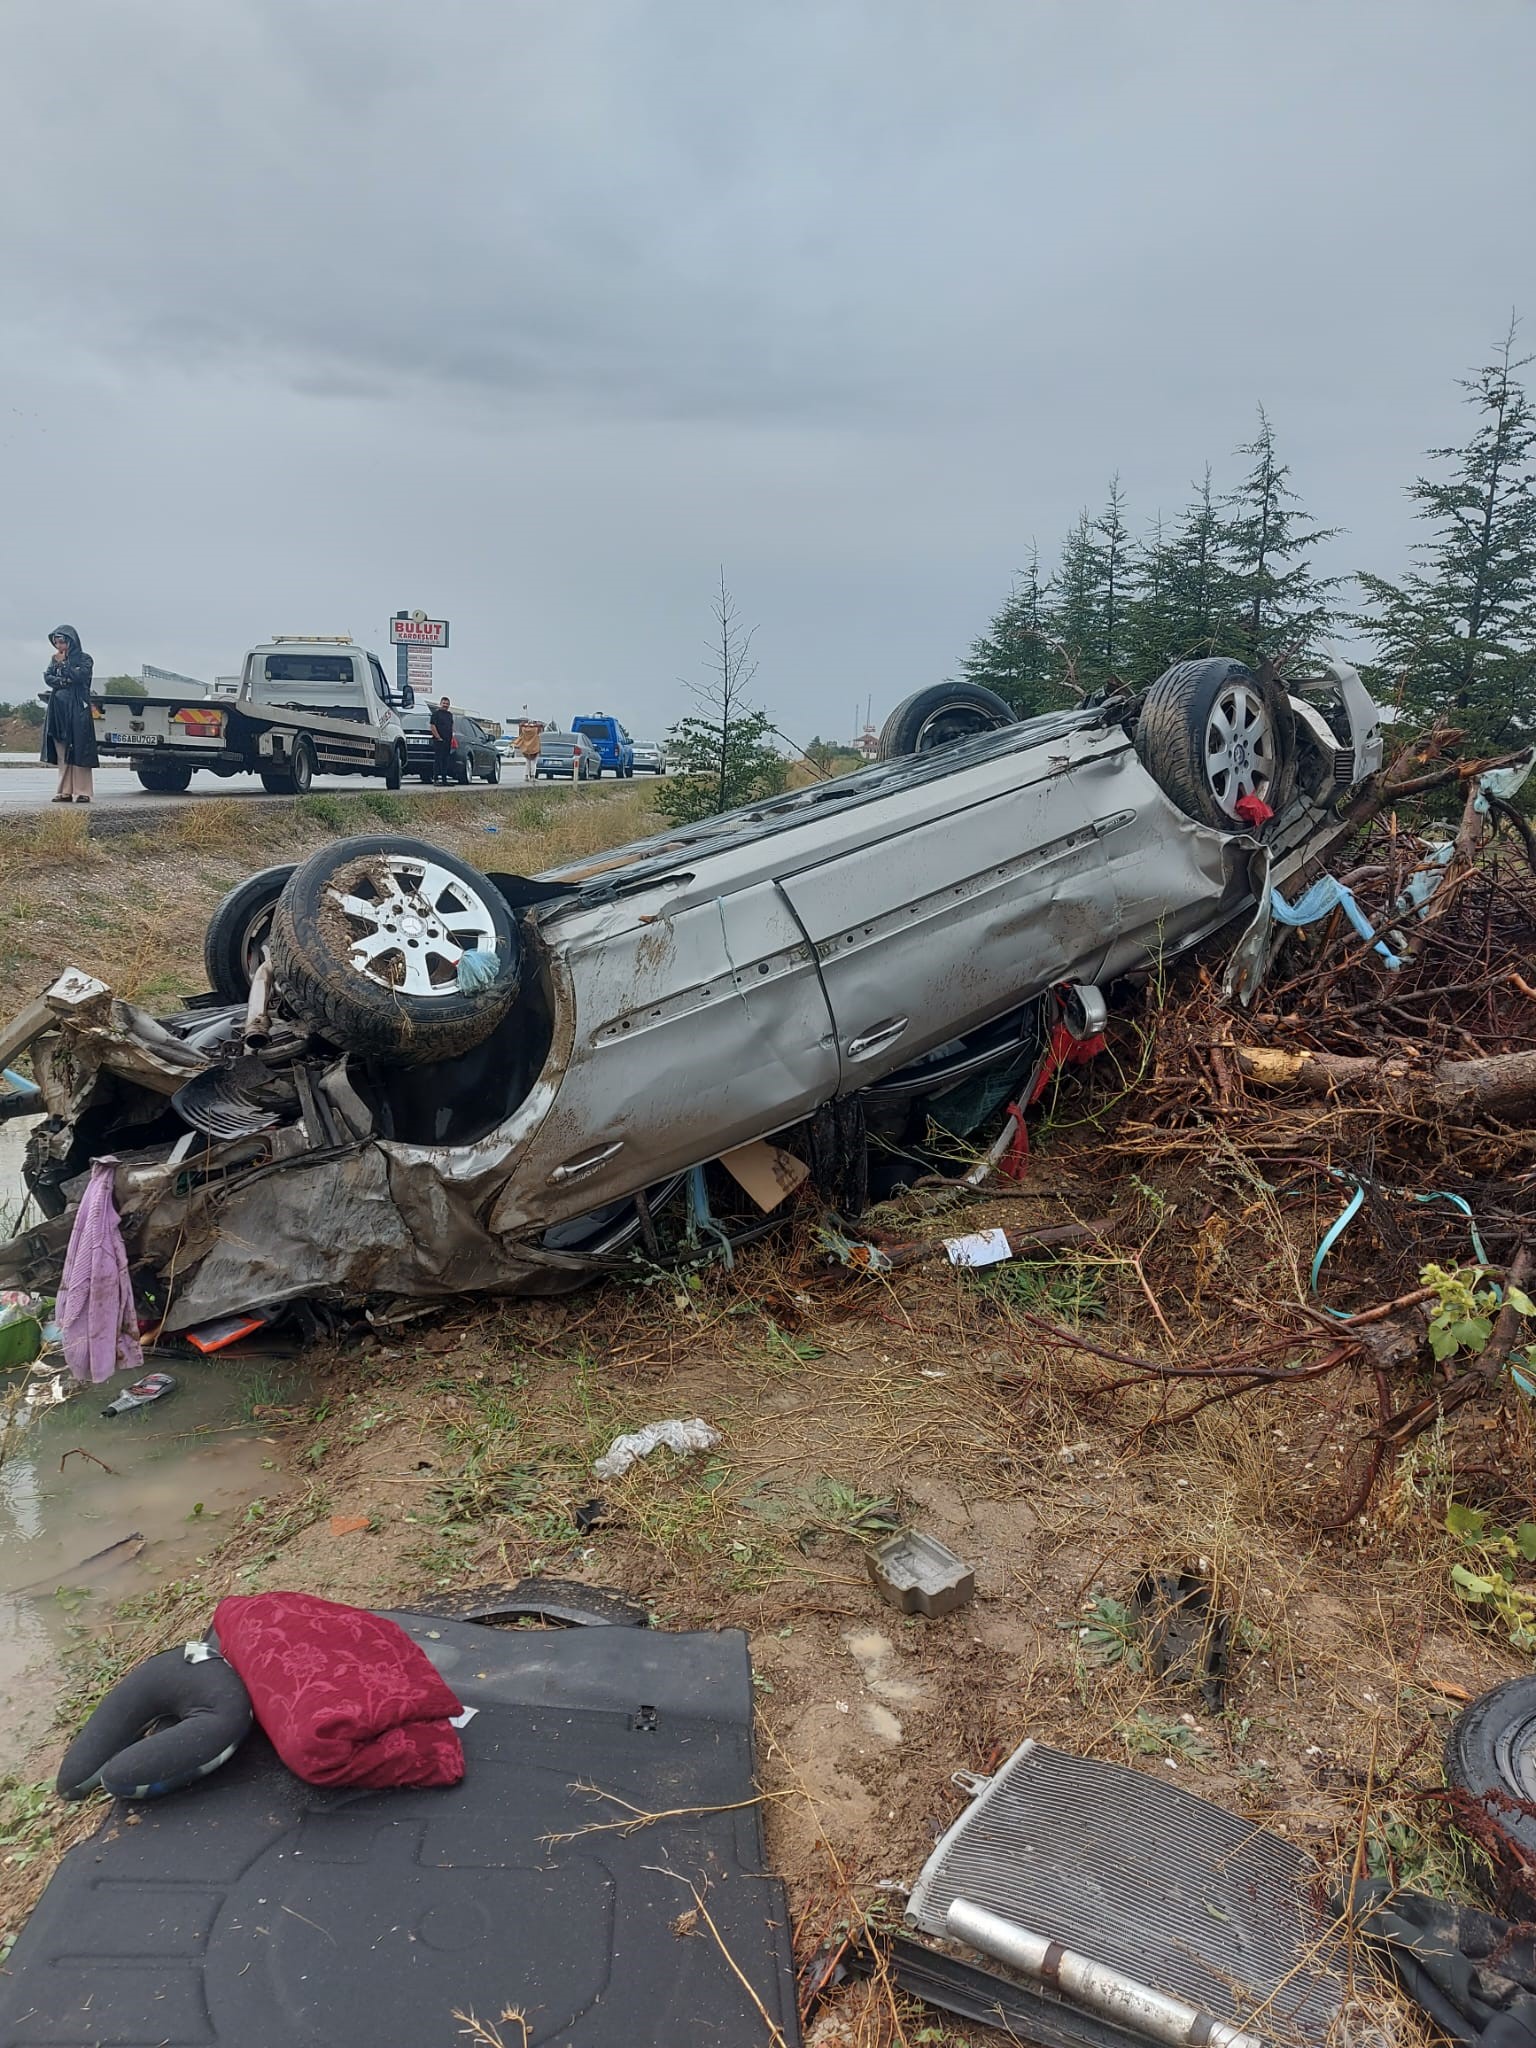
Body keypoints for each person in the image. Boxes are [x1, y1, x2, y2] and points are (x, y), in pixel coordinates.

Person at [41, 625, 98, 804]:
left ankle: (83, 792)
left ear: (71, 642)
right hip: (58, 708)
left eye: (62, 641)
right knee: (61, 748)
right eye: (56, 642)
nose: (59, 645)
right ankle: (64, 790)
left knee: (80, 748)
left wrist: (65, 666)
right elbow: (49, 678)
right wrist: (63, 679)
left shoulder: (84, 659)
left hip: (78, 709)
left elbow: (79, 677)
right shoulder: (54, 660)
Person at [428, 696, 454, 784]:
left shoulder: (450, 715)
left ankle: (444, 780)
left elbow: (451, 726)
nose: (445, 705)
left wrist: (452, 738)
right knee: (438, 760)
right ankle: (435, 779)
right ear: (440, 703)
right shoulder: (436, 714)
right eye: (444, 703)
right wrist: (438, 737)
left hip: (447, 741)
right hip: (438, 741)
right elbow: (432, 726)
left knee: (445, 761)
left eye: (447, 704)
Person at [515, 717, 542, 782]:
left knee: (527, 763)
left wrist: (525, 724)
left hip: (526, 748)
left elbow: (520, 728)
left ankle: (526, 776)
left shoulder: (524, 730)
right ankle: (532, 776)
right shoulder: (535, 730)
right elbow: (540, 727)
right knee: (533, 763)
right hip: (534, 748)